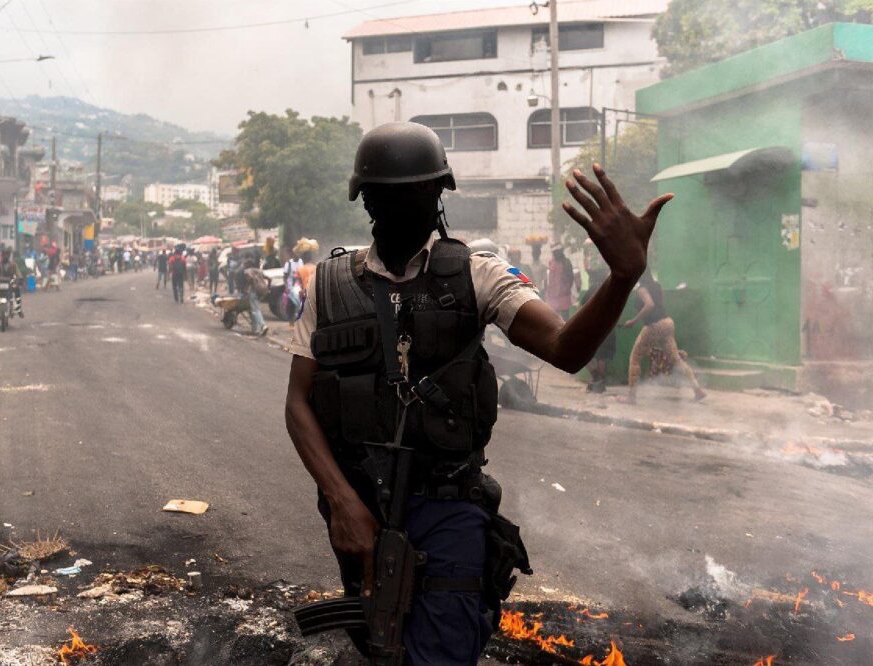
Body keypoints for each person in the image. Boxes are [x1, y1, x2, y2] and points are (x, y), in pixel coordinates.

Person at [284, 121, 671, 664]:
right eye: (385, 195)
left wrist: (622, 277)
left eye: (417, 192)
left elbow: (565, 348)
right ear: (364, 200)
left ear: (439, 195)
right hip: (361, 508)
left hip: (448, 504)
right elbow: (298, 402)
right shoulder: (330, 287)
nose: (401, 206)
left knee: (443, 646)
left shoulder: (478, 275)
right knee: (378, 641)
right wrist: (343, 502)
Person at [621, 272, 706, 403]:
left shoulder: (642, 289)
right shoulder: (657, 286)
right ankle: (698, 390)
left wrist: (633, 321)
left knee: (635, 358)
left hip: (654, 325)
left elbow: (650, 305)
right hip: (667, 323)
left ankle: (631, 397)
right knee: (676, 359)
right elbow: (660, 303)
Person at [0, 246, 24, 318]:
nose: (6, 256)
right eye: (4, 254)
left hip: (10, 284)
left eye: (7, 254)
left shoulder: (13, 265)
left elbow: (18, 274)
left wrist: (20, 279)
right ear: (1, 255)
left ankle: (18, 309)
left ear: (9, 255)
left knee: (17, 290)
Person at [545, 243, 575, 319]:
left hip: (564, 295)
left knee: (565, 318)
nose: (556, 254)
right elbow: (548, 278)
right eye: (554, 252)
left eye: (557, 252)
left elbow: (571, 277)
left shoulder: (566, 262)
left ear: (561, 252)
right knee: (553, 318)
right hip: (552, 295)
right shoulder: (551, 262)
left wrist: (566, 288)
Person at [243, 255, 270, 336]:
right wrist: (268, 288)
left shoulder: (247, 271)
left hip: (253, 292)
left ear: (248, 264)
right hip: (261, 292)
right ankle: (255, 330)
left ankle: (263, 326)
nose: (244, 265)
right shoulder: (259, 271)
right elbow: (269, 279)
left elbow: (250, 279)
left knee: (255, 311)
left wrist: (246, 287)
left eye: (245, 264)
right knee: (255, 310)